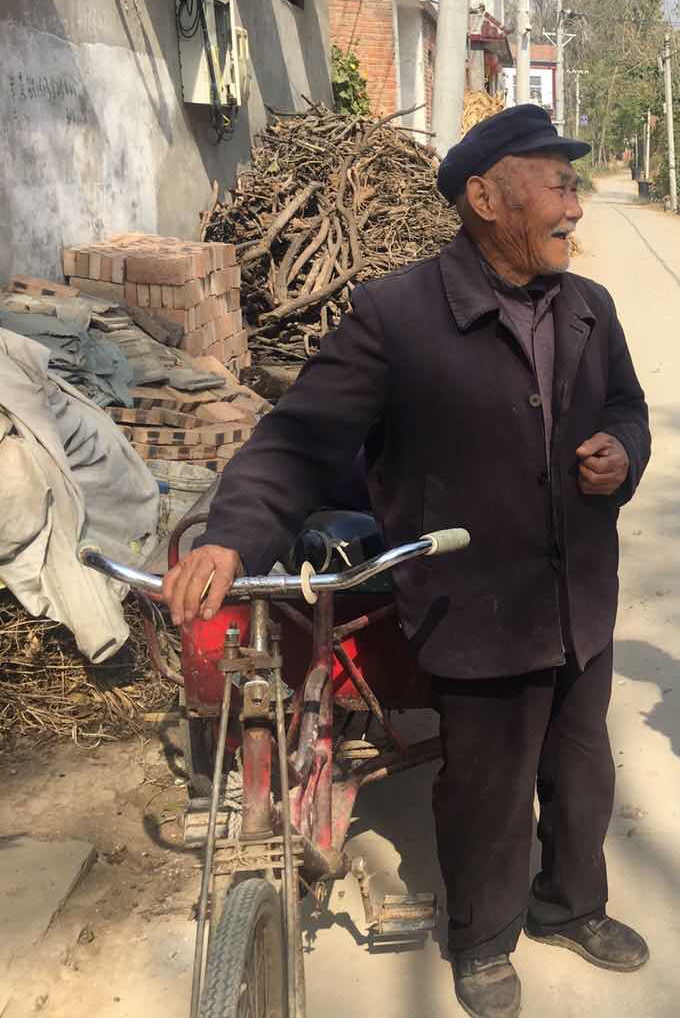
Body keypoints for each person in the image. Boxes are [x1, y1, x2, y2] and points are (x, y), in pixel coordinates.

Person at [162, 105, 652, 1018]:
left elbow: (627, 407)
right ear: (486, 199)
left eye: (573, 185)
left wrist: (623, 452)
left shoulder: (590, 307)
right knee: (488, 786)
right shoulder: (397, 316)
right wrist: (233, 533)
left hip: (579, 589)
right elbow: (301, 440)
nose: (575, 206)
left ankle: (571, 904)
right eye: (557, 185)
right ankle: (484, 938)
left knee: (582, 769)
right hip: (474, 599)